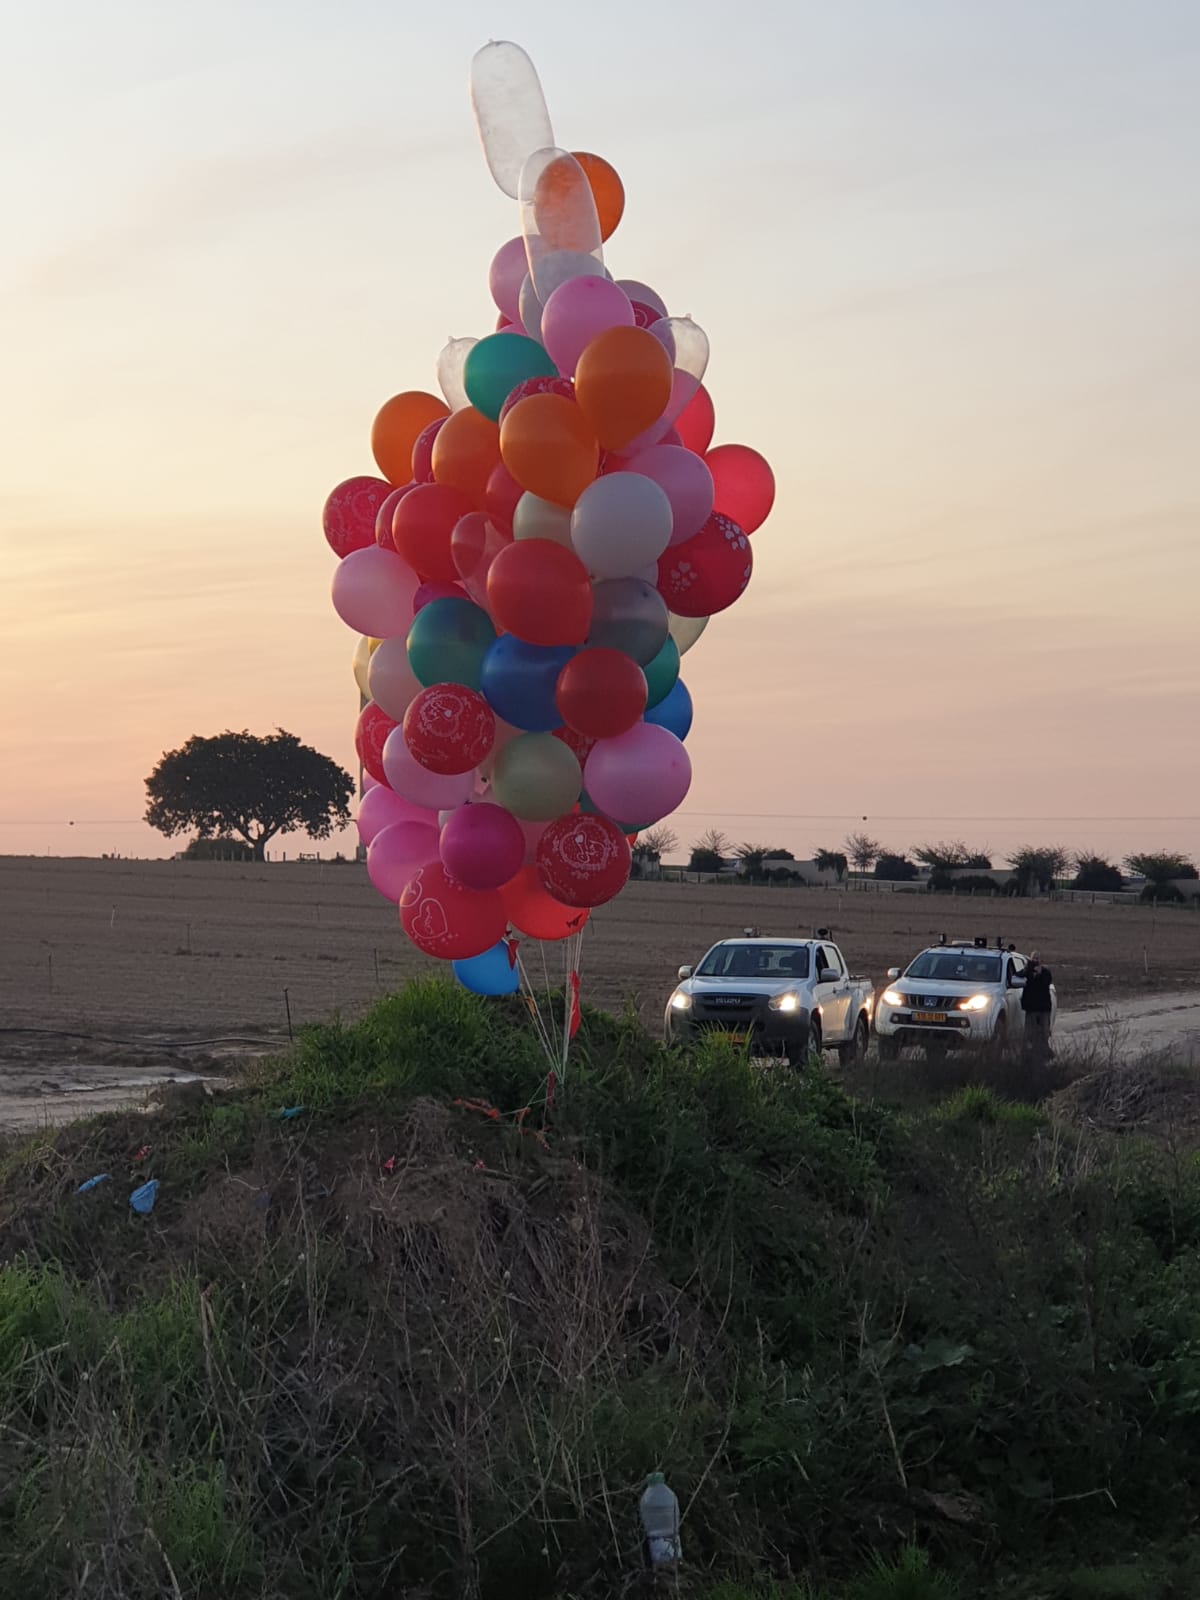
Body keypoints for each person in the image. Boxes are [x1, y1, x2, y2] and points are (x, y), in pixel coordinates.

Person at [1021, 950, 1054, 1060]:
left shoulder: (1046, 972)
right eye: (1033, 958)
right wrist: (1028, 970)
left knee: (1044, 1032)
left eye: (1037, 958)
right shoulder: (1027, 971)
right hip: (1031, 1007)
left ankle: (1044, 1052)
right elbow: (1018, 975)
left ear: (1041, 960)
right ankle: (1028, 1054)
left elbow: (1046, 982)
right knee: (1029, 1032)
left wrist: (1039, 974)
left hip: (1043, 1007)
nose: (1035, 961)